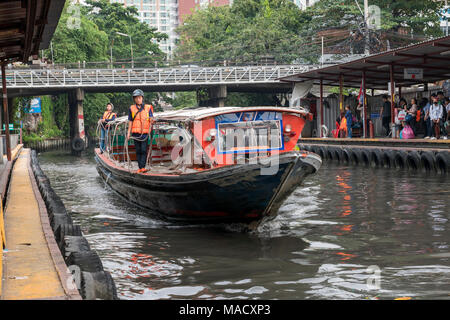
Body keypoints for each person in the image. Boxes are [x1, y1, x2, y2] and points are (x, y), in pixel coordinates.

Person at [127, 89, 155, 173]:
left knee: (143, 150)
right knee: (138, 150)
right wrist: (128, 133)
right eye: (136, 98)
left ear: (142, 98)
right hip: (135, 133)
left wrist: (152, 120)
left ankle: (143, 166)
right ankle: (140, 167)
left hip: (144, 133)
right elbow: (130, 121)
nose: (138, 99)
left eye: (139, 97)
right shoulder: (131, 108)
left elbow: (151, 118)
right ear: (134, 99)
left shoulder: (148, 107)